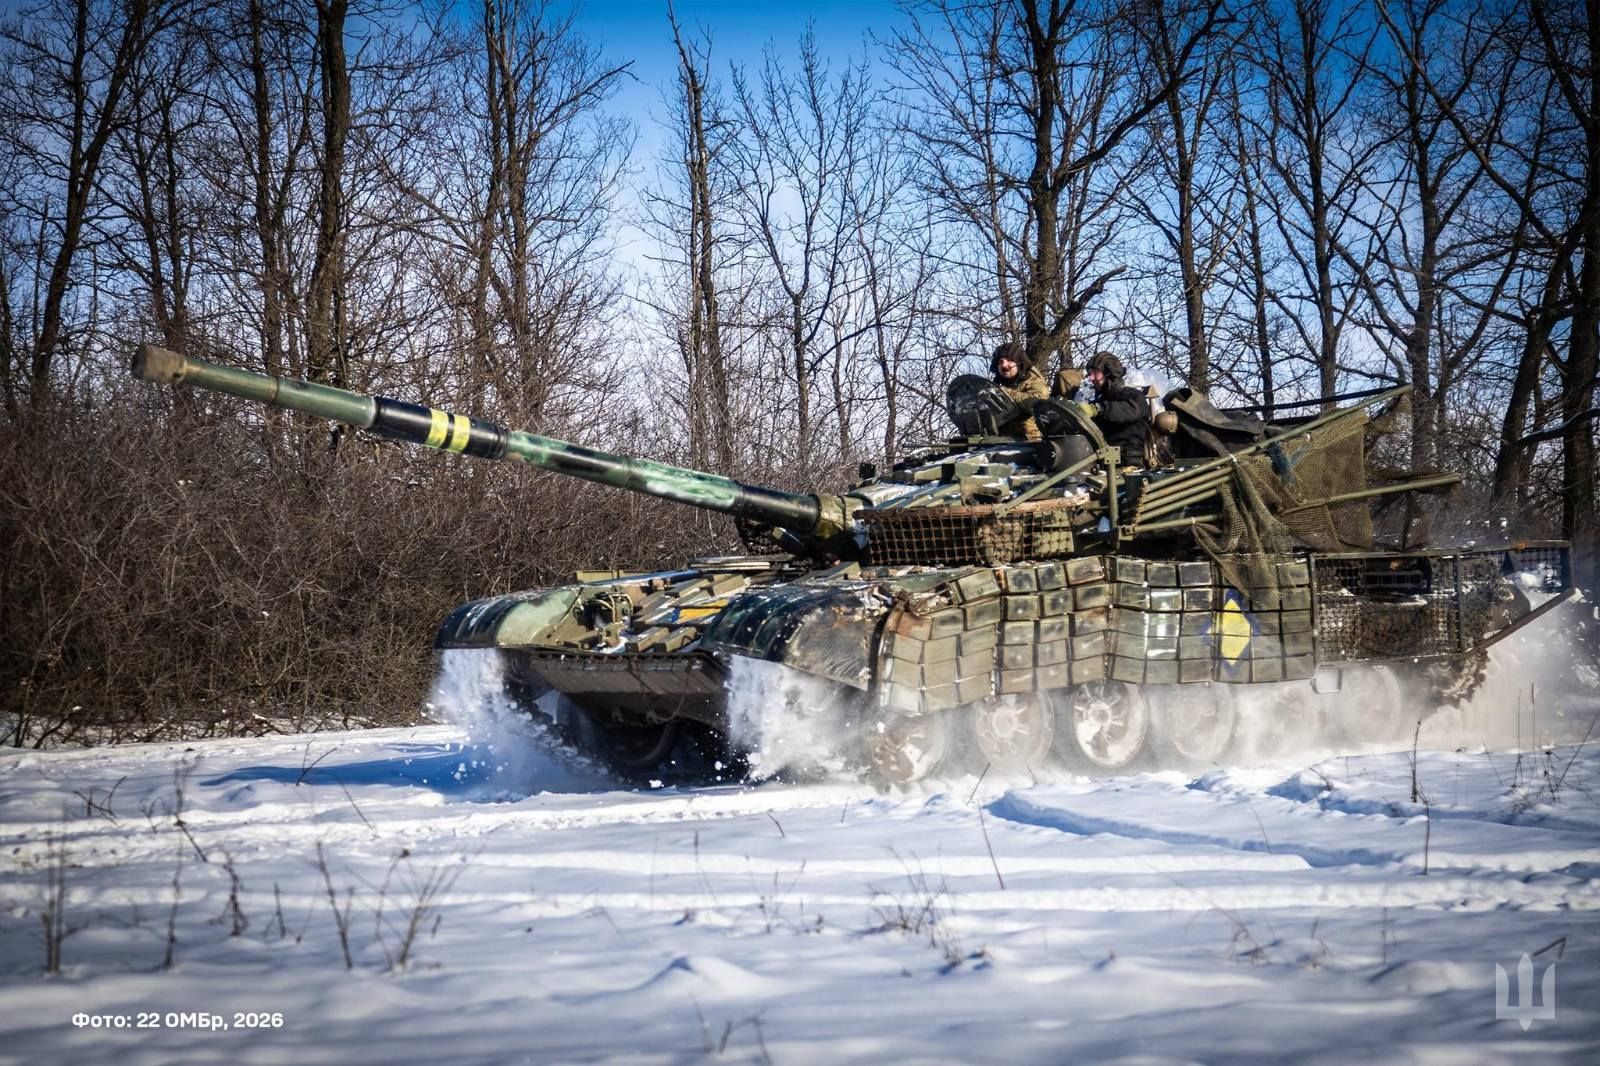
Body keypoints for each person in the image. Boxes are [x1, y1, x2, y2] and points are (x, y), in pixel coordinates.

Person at [1078, 351, 1150, 466]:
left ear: (1109, 373)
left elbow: (1131, 411)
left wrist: (1098, 409)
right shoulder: (1101, 401)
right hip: (1103, 461)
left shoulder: (1133, 395)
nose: (1091, 378)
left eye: (1096, 373)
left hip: (1129, 462)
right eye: (1090, 373)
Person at [990, 341, 1049, 440]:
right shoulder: (995, 386)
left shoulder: (1034, 382)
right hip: (1000, 442)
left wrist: (1005, 393)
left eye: (1009, 360)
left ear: (1019, 363)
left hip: (1031, 442)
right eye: (1000, 362)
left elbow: (1038, 403)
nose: (1004, 365)